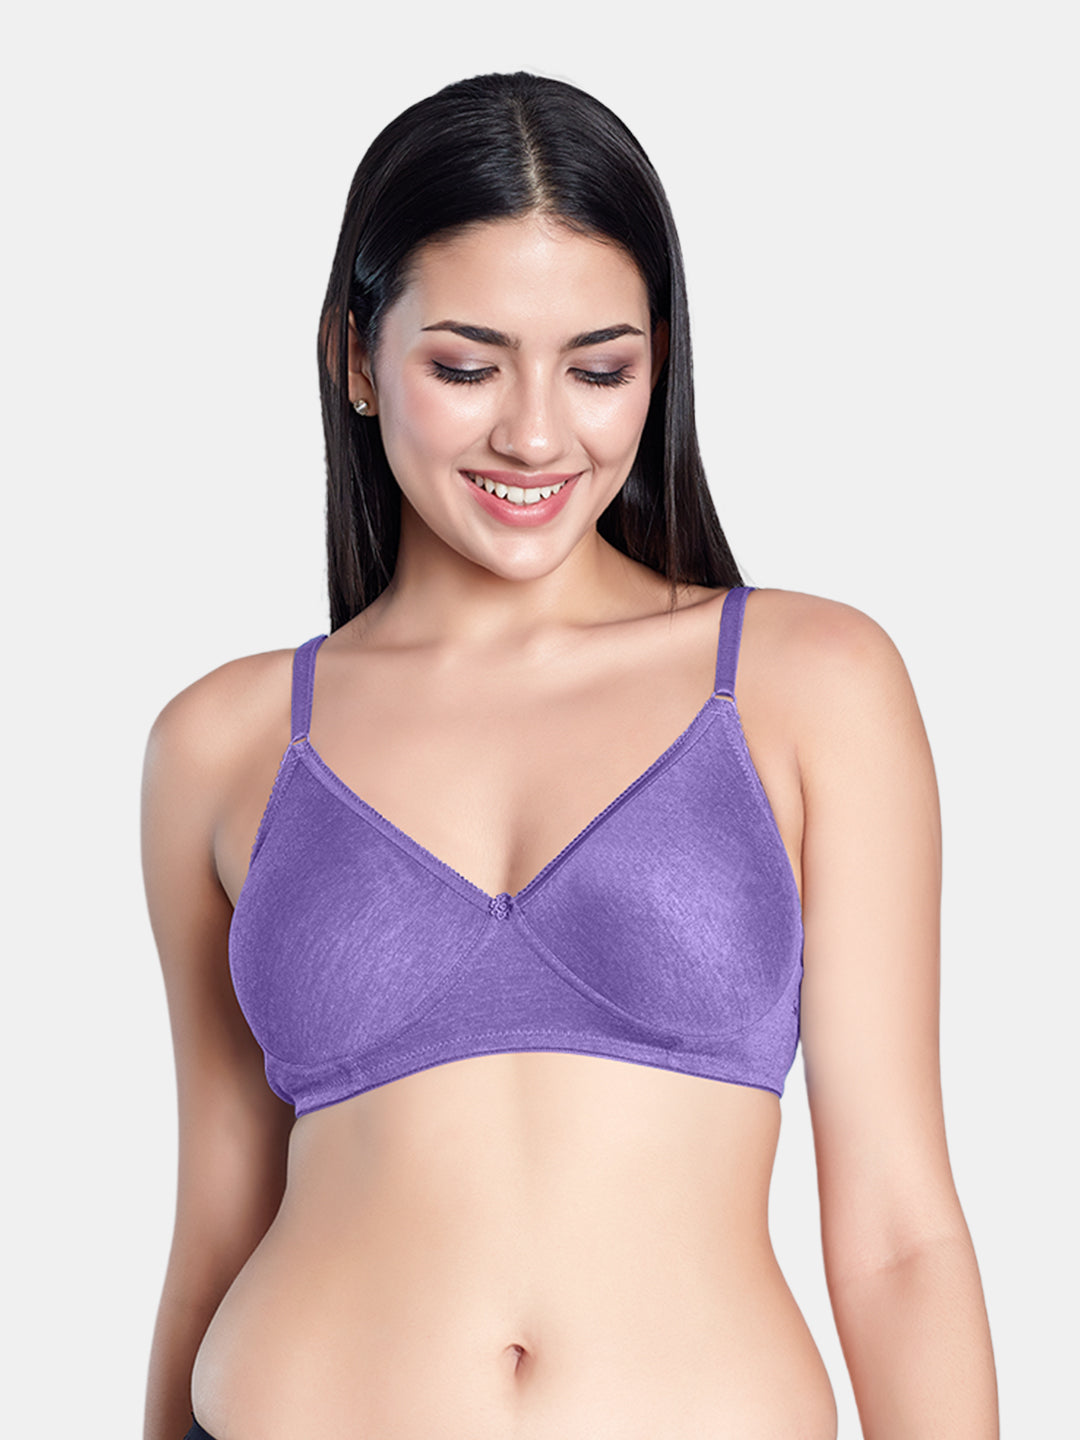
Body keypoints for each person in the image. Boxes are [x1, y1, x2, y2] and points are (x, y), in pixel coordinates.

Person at [141, 71, 998, 1440]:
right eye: (465, 367)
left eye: (600, 370)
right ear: (355, 358)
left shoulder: (806, 684)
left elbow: (901, 1237)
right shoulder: (225, 741)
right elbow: (217, 1219)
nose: (536, 433)